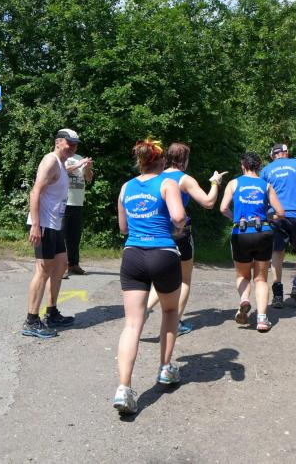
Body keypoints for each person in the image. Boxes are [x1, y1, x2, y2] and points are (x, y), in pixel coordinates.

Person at [112, 139, 187, 415]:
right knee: (169, 310)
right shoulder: (167, 183)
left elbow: (123, 227)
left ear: (141, 161)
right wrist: (179, 226)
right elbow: (178, 217)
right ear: (162, 162)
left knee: (132, 324)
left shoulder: (126, 187)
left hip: (132, 255)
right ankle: (165, 369)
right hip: (163, 254)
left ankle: (123, 388)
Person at [145, 143, 226, 335]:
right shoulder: (184, 179)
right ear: (185, 160)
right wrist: (215, 183)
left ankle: (145, 308)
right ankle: (176, 323)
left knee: (161, 277)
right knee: (184, 279)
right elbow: (208, 202)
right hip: (179, 232)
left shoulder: (156, 175)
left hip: (156, 232)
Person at [22, 129, 79, 338]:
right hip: (44, 224)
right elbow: (35, 191)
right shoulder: (50, 161)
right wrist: (36, 225)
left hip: (55, 224)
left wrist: (79, 166)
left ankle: (52, 312)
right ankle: (31, 321)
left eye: (75, 144)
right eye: (69, 143)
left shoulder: (62, 164)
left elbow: (60, 177)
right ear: (58, 142)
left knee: (61, 264)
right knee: (43, 270)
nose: (72, 147)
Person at [220, 152, 284, 332]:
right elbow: (281, 213)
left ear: (243, 165)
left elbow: (223, 208)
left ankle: (244, 300)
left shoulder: (233, 183)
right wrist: (268, 218)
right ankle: (262, 319)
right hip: (263, 232)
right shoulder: (266, 185)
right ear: (259, 166)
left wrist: (235, 218)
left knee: (243, 275)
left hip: (241, 233)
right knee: (261, 278)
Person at [260, 143, 296, 307]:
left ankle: (278, 296)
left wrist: (263, 215)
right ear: (286, 152)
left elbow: (261, 195)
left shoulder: (266, 170)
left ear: (273, 155)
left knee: (277, 252)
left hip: (276, 216)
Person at [62, 132, 94, 278]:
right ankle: (61, 267)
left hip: (77, 202)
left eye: (76, 145)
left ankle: (73, 264)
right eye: (72, 144)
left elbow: (89, 178)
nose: (74, 147)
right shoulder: (61, 158)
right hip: (64, 202)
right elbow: (62, 171)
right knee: (62, 236)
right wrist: (79, 165)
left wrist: (87, 168)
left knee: (75, 236)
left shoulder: (79, 158)